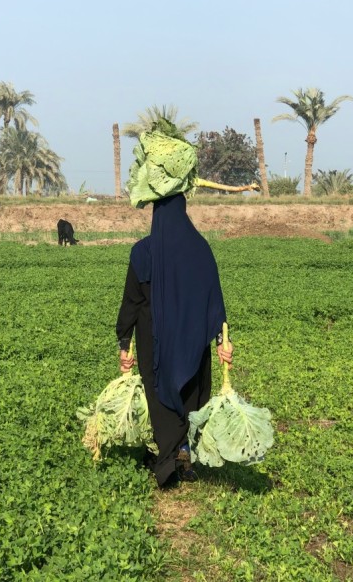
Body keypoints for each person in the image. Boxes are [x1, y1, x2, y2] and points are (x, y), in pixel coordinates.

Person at [116, 192, 233, 488]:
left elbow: (131, 302)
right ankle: (183, 453)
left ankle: (166, 460)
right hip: (191, 341)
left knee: (159, 395)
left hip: (152, 340)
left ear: (157, 214)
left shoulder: (143, 252)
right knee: (190, 394)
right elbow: (214, 299)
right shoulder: (200, 249)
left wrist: (123, 342)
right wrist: (221, 339)